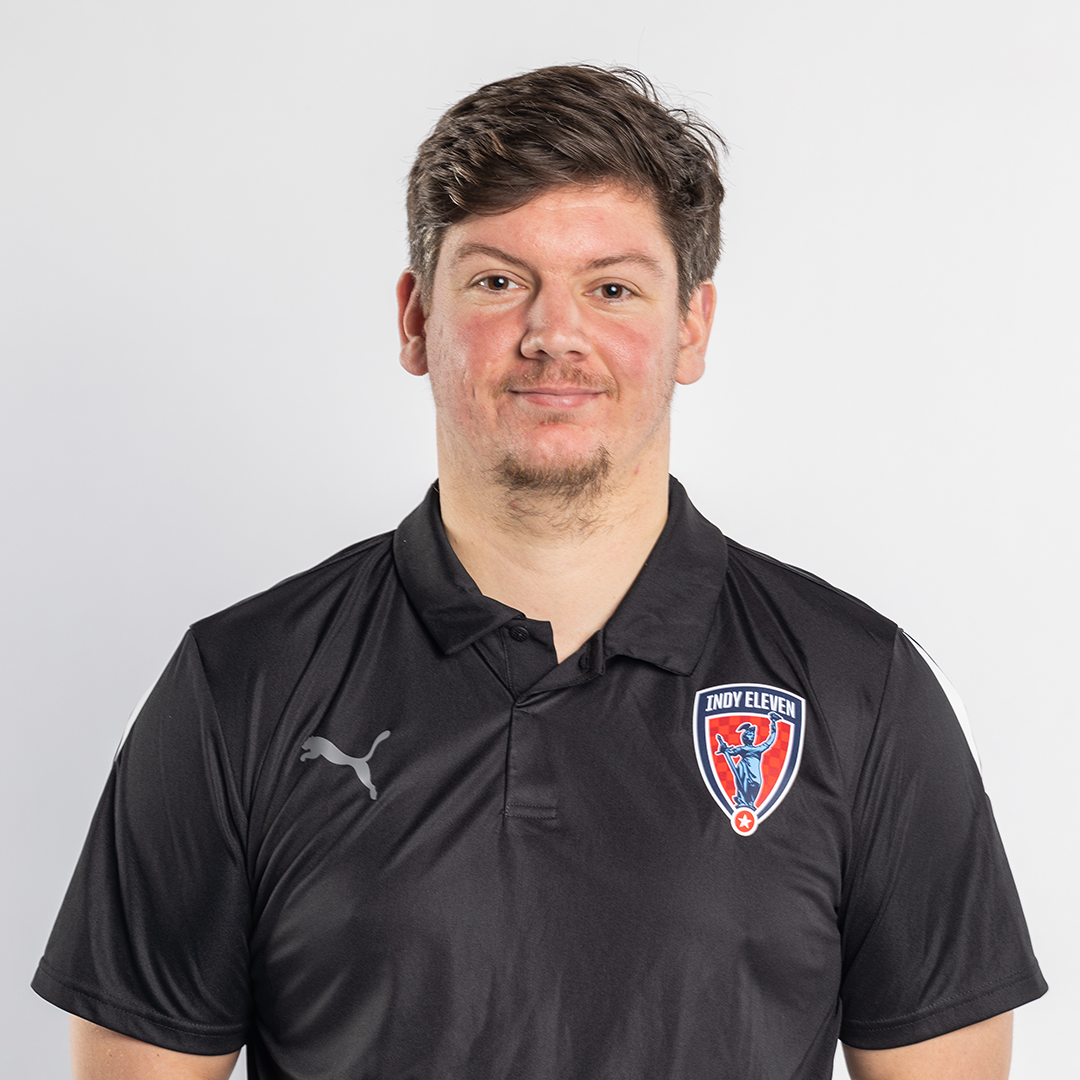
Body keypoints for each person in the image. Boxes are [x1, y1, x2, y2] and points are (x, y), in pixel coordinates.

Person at [33, 65, 1045, 1080]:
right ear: (414, 319)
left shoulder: (860, 690)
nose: (554, 334)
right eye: (497, 281)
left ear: (690, 326)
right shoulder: (240, 684)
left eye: (612, 288)